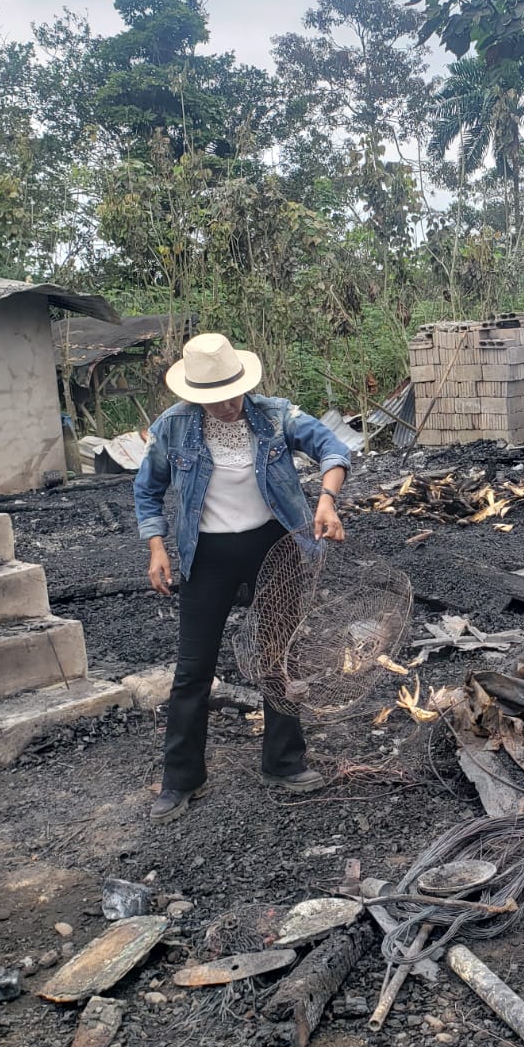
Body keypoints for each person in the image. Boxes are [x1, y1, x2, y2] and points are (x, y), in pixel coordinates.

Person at [134, 333, 351, 823]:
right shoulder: (171, 428)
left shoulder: (275, 416)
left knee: (277, 657)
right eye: (215, 398)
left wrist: (327, 499)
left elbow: (333, 448)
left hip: (274, 547)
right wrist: (156, 547)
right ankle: (182, 779)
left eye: (233, 394)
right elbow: (146, 491)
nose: (228, 405)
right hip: (206, 555)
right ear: (195, 395)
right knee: (193, 668)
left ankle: (283, 762)